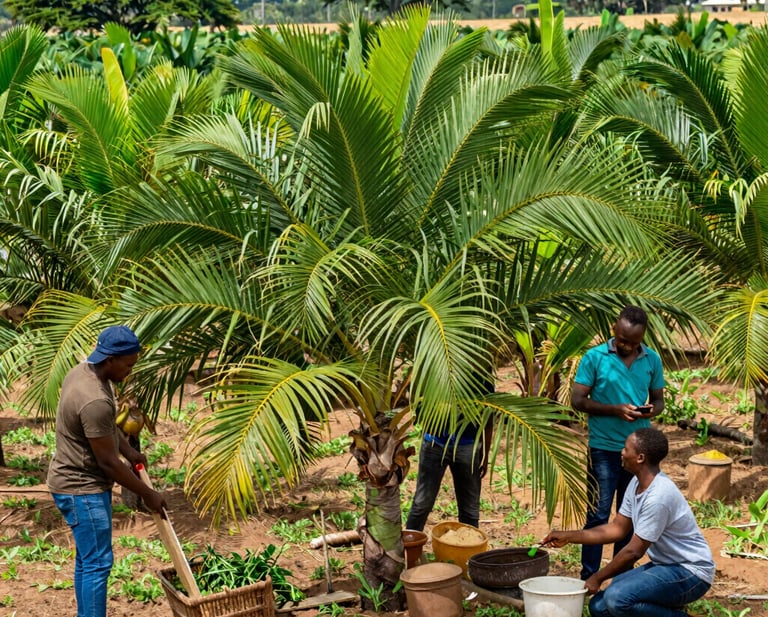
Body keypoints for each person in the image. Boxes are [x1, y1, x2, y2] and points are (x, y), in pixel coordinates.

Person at [47, 325, 167, 617]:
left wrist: (130, 452)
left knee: (88, 561)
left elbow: (103, 429)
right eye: (128, 364)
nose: (129, 371)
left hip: (69, 481)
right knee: (98, 564)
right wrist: (148, 494)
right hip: (81, 489)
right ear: (110, 359)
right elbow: (108, 463)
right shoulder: (95, 400)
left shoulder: (83, 372)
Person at [541, 428, 714, 617]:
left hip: (691, 572)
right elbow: (617, 529)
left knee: (618, 599)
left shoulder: (659, 496)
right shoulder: (636, 483)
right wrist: (569, 536)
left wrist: (597, 577)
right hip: (665, 566)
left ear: (640, 458)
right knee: (599, 607)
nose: (621, 453)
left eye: (625, 449)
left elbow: (634, 551)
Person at [572, 305, 665, 579]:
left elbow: (659, 401)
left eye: (634, 342)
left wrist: (650, 410)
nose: (627, 346)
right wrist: (615, 409)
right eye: (623, 339)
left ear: (642, 337)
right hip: (603, 448)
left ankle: (619, 576)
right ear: (615, 328)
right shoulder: (595, 357)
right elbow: (577, 400)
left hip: (638, 454)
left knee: (629, 519)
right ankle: (588, 575)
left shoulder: (652, 360)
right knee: (599, 515)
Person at [405, 377, 495, 531]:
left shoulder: (482, 377)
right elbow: (416, 394)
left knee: (470, 509)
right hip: (435, 443)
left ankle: (468, 550)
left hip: (468, 445)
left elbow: (488, 419)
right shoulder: (437, 367)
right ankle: (410, 549)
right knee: (422, 504)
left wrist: (485, 454)